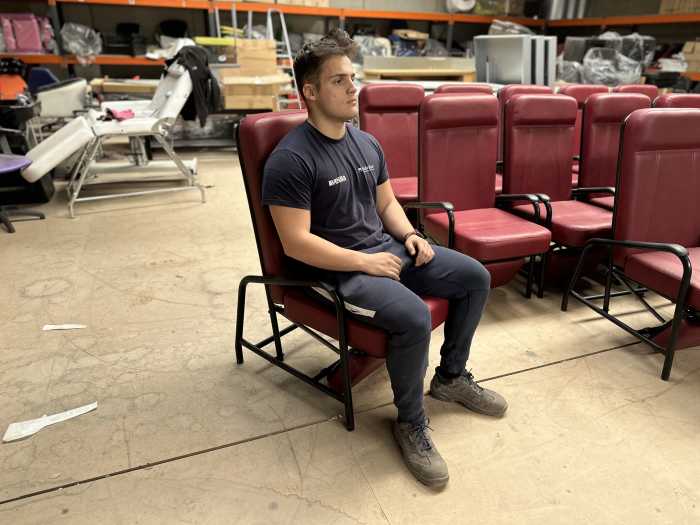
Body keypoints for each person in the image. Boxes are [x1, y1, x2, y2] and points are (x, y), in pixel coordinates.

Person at [261, 29, 507, 488]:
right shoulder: (291, 160)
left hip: (386, 250)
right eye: (338, 81)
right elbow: (295, 243)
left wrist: (410, 235)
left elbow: (387, 203)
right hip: (336, 272)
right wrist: (363, 262)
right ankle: (410, 422)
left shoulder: (366, 143)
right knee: (413, 316)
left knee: (475, 276)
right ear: (310, 92)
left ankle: (451, 378)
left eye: (352, 78)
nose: (352, 88)